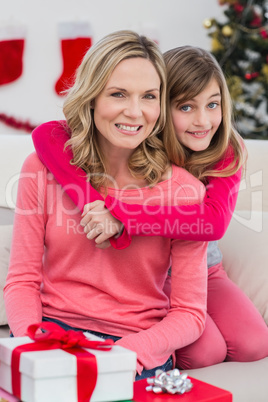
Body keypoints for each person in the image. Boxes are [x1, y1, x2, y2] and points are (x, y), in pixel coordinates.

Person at [32, 44, 268, 369]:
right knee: (203, 351)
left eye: (213, 105)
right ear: (160, 104)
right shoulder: (140, 139)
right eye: (185, 107)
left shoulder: (226, 147)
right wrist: (97, 204)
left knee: (255, 344)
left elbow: (211, 222)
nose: (202, 120)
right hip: (155, 274)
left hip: (206, 268)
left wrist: (119, 214)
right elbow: (47, 133)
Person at [4, 31, 208, 380]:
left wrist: (125, 355)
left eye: (148, 96)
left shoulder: (184, 191)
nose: (134, 111)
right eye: (118, 94)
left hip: (136, 346)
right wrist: (33, 342)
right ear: (92, 97)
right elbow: (21, 280)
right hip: (53, 334)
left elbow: (191, 314)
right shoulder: (40, 168)